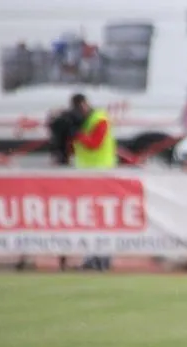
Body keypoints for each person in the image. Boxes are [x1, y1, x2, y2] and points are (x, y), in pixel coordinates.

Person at [69, 93, 117, 271]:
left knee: (103, 218)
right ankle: (90, 258)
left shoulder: (99, 119)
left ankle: (103, 258)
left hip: (102, 174)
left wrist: (77, 135)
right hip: (86, 175)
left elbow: (95, 143)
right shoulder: (85, 120)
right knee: (88, 218)